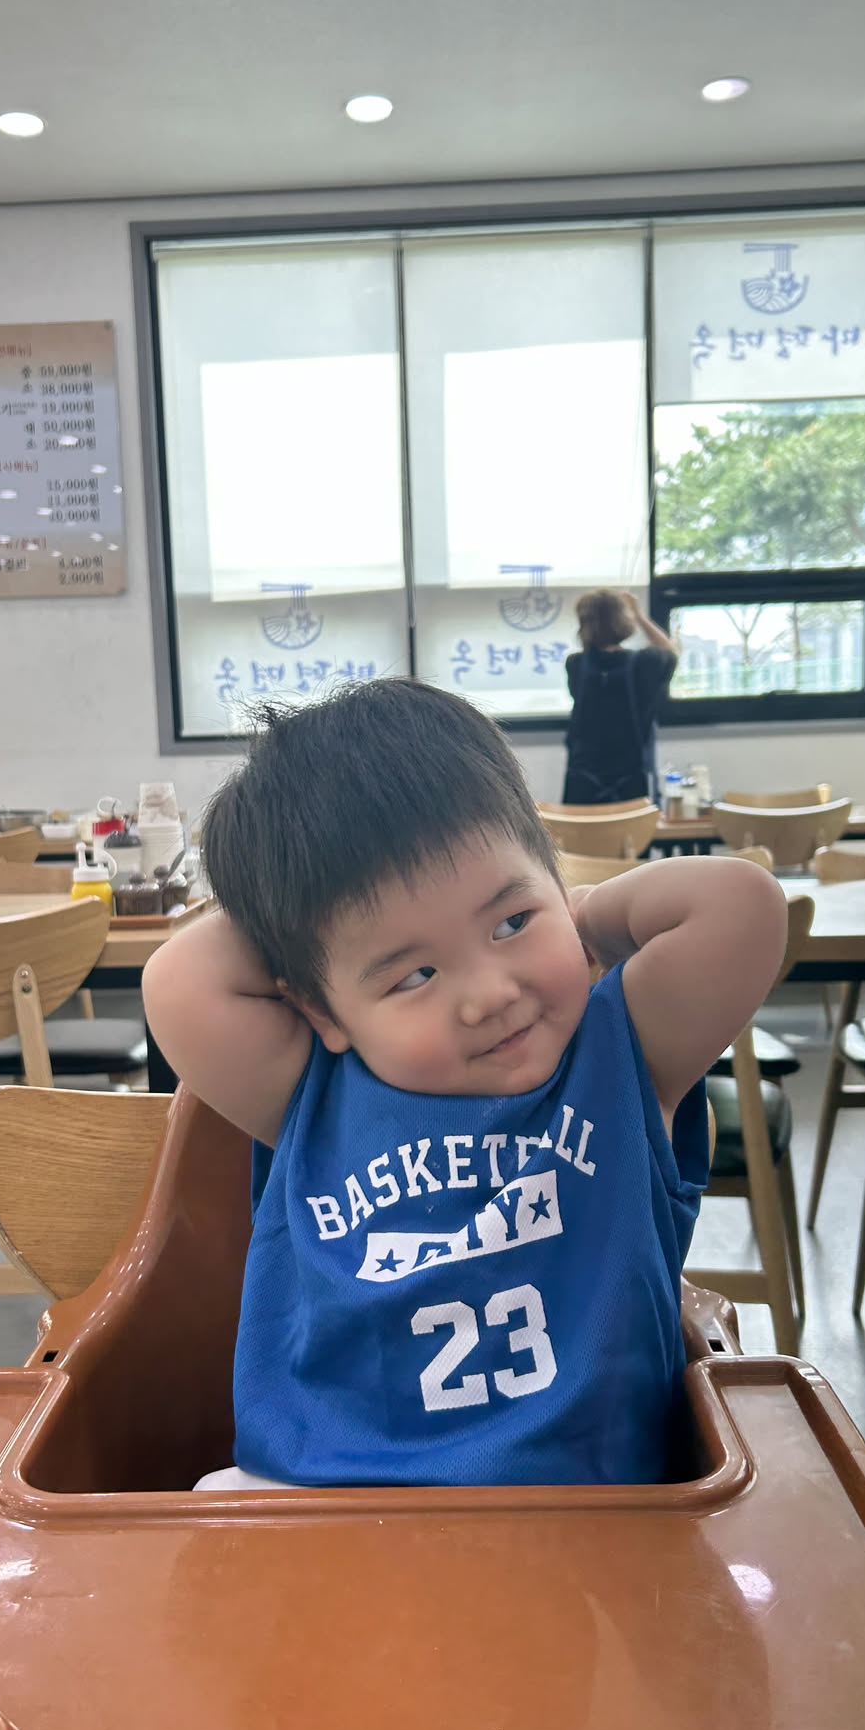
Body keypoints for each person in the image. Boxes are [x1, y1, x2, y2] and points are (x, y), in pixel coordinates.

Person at [143, 677, 786, 1489]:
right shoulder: (310, 1091)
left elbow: (742, 904)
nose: (489, 995)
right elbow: (177, 979)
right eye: (414, 975)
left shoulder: (624, 1057)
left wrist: (577, 912)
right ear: (321, 1011)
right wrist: (303, 914)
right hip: (316, 1500)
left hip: (588, 1513)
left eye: (512, 922)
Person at [562, 589, 678, 805]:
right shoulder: (646, 663)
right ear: (624, 620)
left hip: (582, 787)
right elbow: (670, 652)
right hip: (633, 787)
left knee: (581, 828)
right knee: (634, 828)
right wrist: (639, 615)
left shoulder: (576, 664)